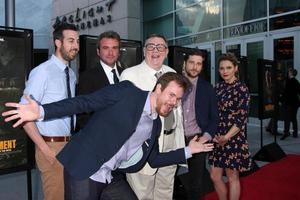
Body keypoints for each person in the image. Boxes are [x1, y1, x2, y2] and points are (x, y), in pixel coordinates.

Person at [2, 72, 214, 200]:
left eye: (178, 100)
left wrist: (189, 150)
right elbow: (84, 102)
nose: (174, 102)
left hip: (110, 175)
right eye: (172, 95)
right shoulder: (127, 92)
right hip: (85, 169)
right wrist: (41, 111)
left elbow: (154, 159)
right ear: (158, 88)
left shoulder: (155, 123)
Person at [120, 34, 185, 200]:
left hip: (171, 142)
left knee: (165, 192)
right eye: (151, 46)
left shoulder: (172, 73)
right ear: (143, 51)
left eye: (160, 47)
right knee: (143, 195)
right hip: (144, 145)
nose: (155, 51)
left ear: (167, 51)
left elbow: (177, 108)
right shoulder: (129, 75)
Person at [19, 22, 79, 200]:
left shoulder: (71, 74)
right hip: (51, 147)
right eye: (70, 41)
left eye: (76, 41)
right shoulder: (42, 72)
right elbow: (25, 115)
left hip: (70, 146)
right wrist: (46, 150)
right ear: (58, 43)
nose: (75, 46)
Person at [208, 53, 252, 200]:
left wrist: (226, 137)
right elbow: (211, 113)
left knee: (233, 177)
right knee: (215, 176)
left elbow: (242, 118)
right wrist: (214, 135)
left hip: (233, 138)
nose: (225, 71)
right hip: (217, 138)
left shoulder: (242, 89)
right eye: (221, 68)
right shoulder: (217, 88)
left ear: (235, 68)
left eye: (228, 67)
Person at [178, 50, 218, 200]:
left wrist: (205, 137)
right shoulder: (173, 83)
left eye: (199, 63)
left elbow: (214, 118)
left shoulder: (207, 88)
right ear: (185, 63)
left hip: (197, 140)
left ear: (202, 66)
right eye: (192, 62)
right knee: (166, 179)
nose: (195, 67)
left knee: (196, 184)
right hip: (174, 139)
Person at [76, 30, 123, 130]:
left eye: (114, 48)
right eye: (105, 48)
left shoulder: (126, 74)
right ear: (98, 51)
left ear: (119, 52)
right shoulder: (87, 77)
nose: (110, 52)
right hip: (100, 138)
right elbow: (82, 114)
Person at [281, 68, 300, 140]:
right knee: (294, 118)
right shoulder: (297, 82)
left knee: (287, 118)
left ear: (291, 73)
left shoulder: (289, 82)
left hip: (289, 103)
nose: (288, 73)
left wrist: (281, 100)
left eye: (289, 72)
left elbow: (286, 93)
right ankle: (295, 133)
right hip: (295, 103)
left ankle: (286, 133)